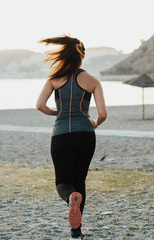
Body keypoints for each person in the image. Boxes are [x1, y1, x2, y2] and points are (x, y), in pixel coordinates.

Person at [36, 35, 107, 239]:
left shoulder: (54, 79)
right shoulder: (93, 81)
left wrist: (56, 113)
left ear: (64, 55)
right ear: (82, 55)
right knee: (80, 180)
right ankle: (76, 230)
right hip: (85, 134)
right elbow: (102, 114)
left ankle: (70, 199)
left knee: (63, 183)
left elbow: (40, 105)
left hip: (61, 134)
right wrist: (94, 123)